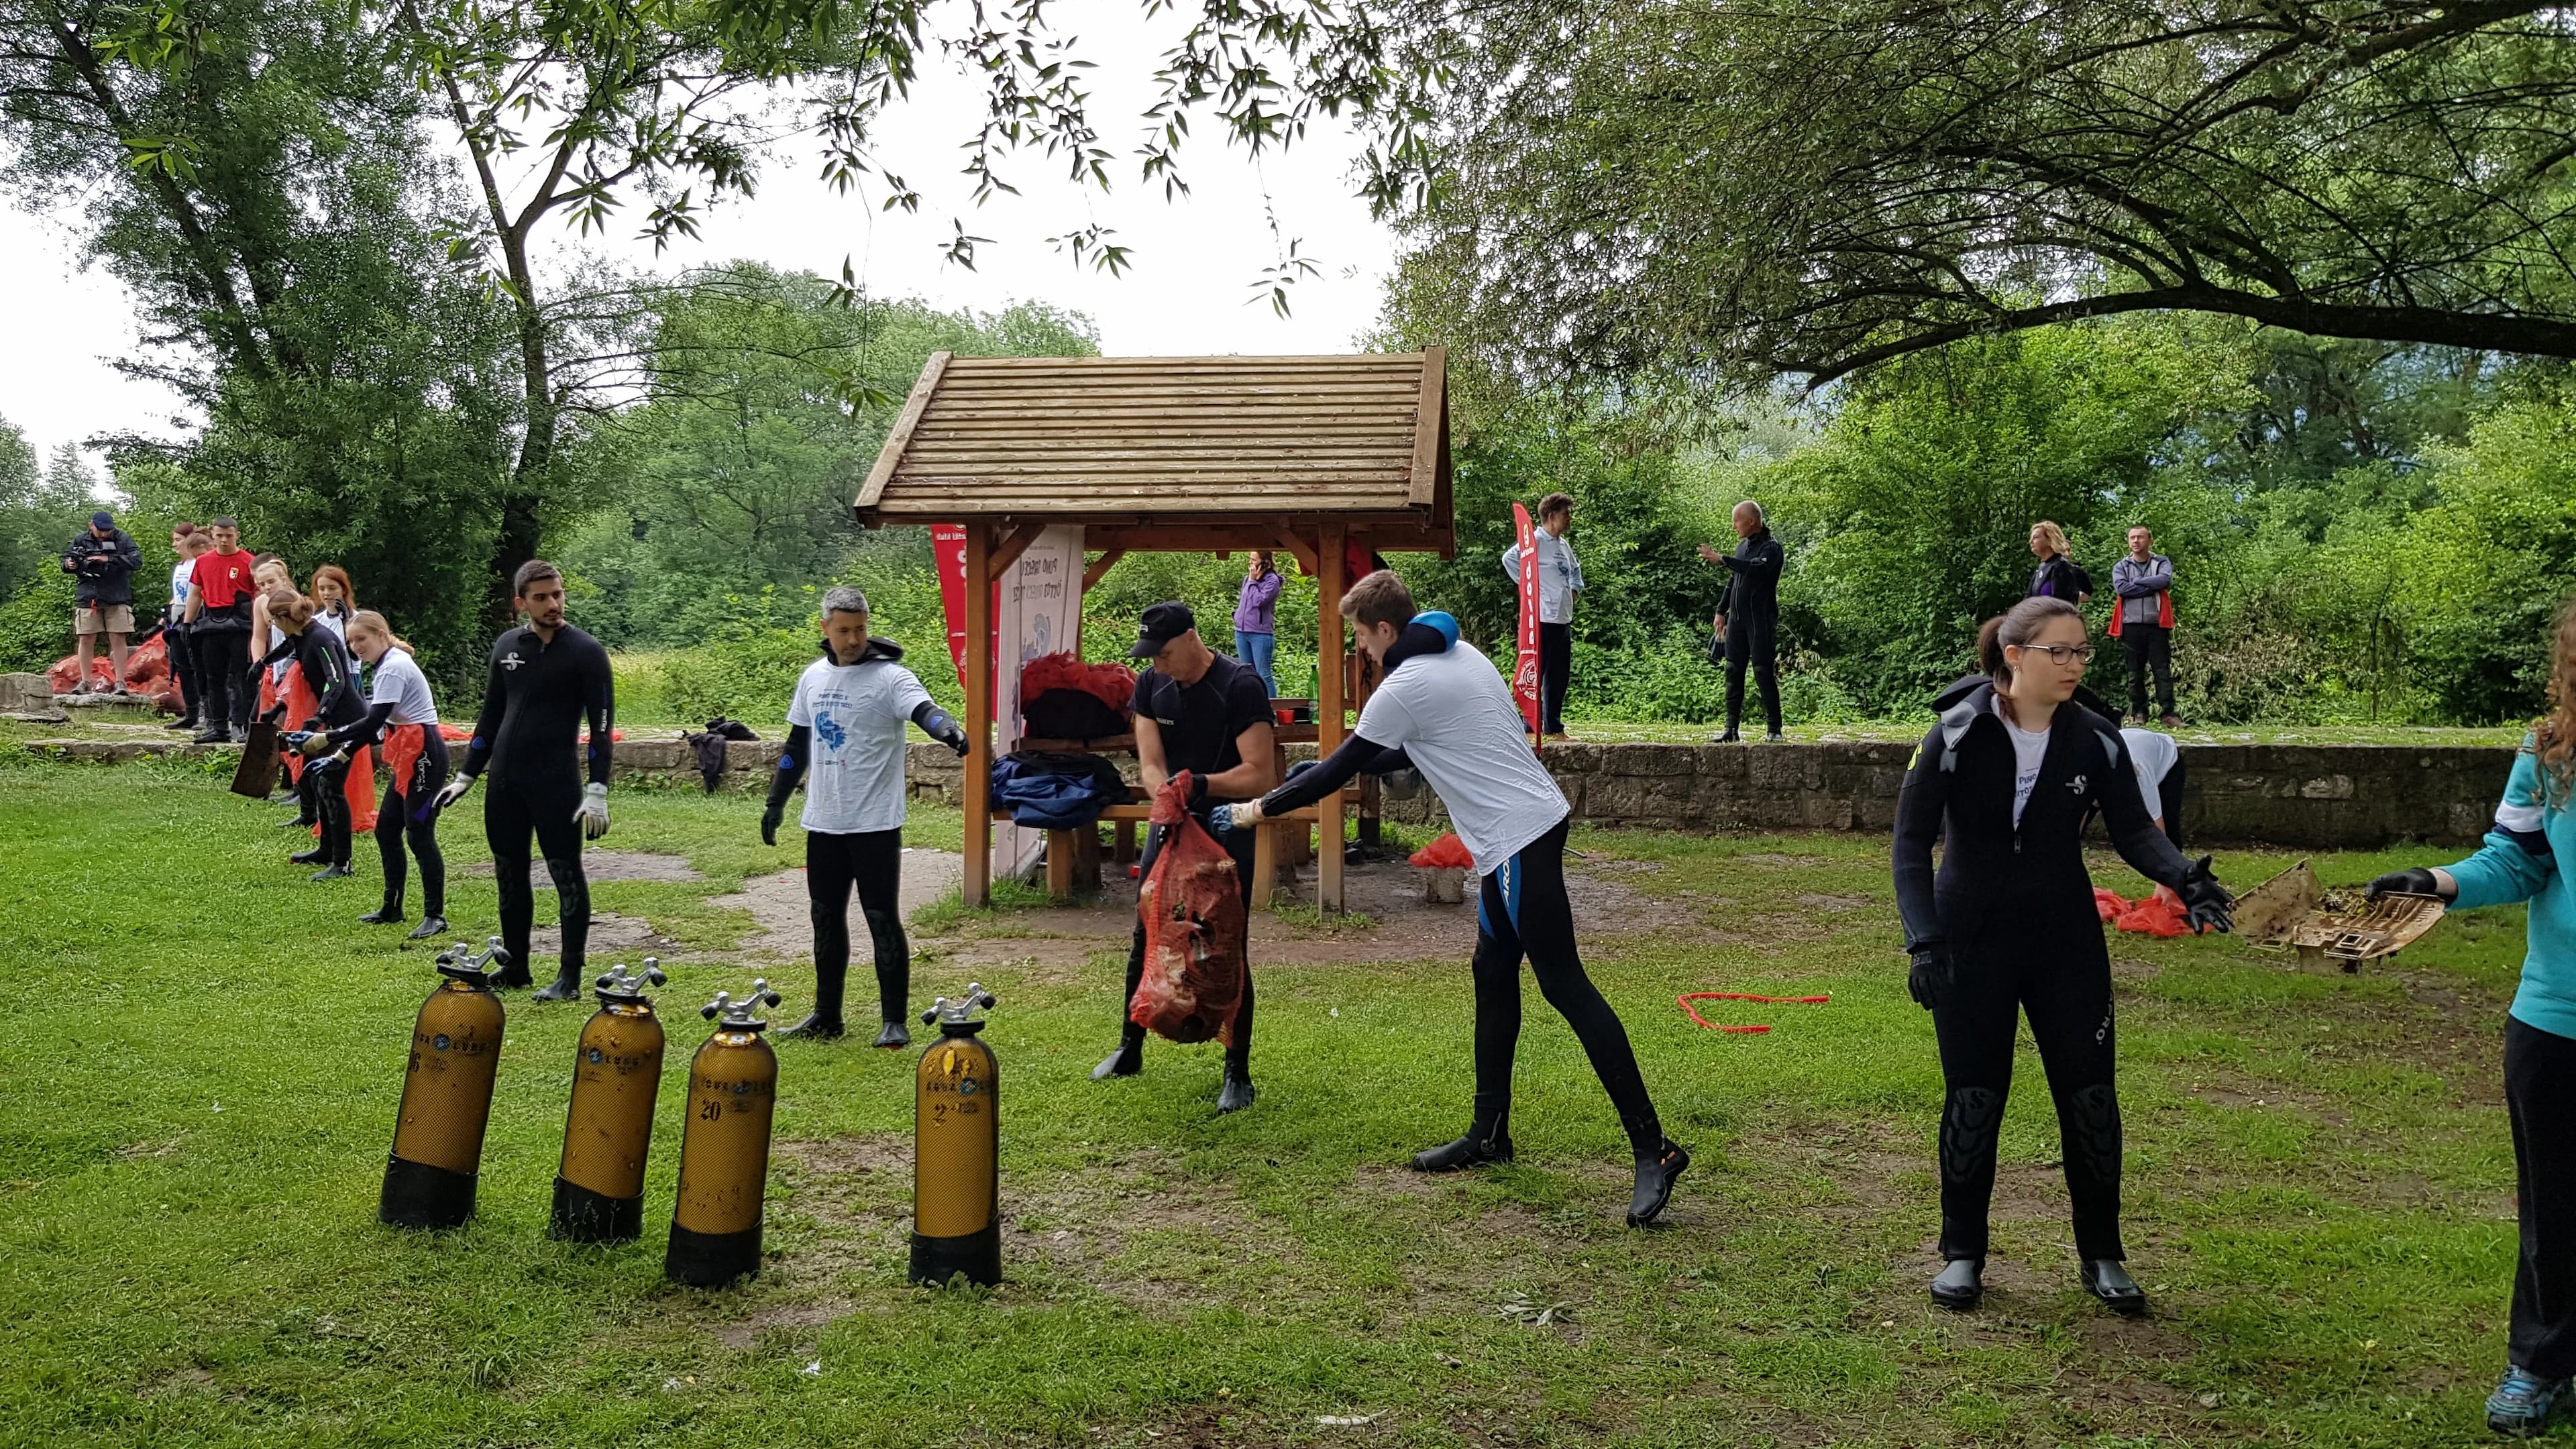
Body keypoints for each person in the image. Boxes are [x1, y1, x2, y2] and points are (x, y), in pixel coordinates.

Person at [1242, 570, 1689, 1223]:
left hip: (1518, 839)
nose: (1362, 652)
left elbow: (1344, 768)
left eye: (1363, 639)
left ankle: (1656, 1149)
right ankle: (1489, 1134)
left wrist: (1259, 808)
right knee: (1492, 972)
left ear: (1386, 631)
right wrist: (1322, 772)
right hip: (1522, 830)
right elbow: (1405, 754)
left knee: (1566, 987)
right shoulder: (1460, 653)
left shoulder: (1402, 685)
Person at [1892, 596, 2233, 1314]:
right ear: (2015, 656)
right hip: (1971, 938)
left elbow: (2137, 833)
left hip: (2065, 940)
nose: (2076, 663)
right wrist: (1923, 940)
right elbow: (1908, 846)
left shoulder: (2097, 739)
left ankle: (2102, 1253)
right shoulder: (1953, 734)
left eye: (2082, 651)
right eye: (2061, 651)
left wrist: (2186, 880)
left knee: (2091, 1098)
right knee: (1975, 1096)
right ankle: (1963, 1253)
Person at [2365, 600, 2576, 1438]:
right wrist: (2439, 882)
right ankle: (2541, 1363)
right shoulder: (2550, 751)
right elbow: (2517, 859)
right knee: (2555, 1205)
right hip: (2557, 1016)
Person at [759, 587, 972, 1045]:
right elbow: (797, 746)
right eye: (844, 630)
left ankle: (893, 1020)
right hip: (824, 820)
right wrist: (775, 802)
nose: (853, 639)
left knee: (880, 917)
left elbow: (924, 710)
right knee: (825, 916)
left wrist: (948, 730)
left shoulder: (890, 678)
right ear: (825, 629)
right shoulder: (813, 678)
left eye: (860, 629)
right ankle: (826, 1014)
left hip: (874, 821)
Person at [1090, 600, 1276, 1111]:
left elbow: (1260, 774)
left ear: (1192, 639)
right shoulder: (1151, 685)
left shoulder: (1241, 687)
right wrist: (1169, 796)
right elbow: (1151, 762)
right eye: (1152, 656)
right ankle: (1130, 1047)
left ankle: (1237, 1072)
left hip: (1223, 825)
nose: (1159, 665)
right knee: (1147, 930)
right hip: (1172, 821)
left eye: (1167, 654)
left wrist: (1201, 787)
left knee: (1222, 943)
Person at [431, 561, 614, 999]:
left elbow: (602, 729)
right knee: (509, 873)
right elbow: (491, 717)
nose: (553, 604)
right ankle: (516, 967)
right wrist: (467, 775)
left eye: (558, 594)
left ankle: (569, 977)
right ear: (521, 603)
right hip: (506, 782)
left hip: (557, 785)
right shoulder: (508, 646)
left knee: (565, 874)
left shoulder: (585, 651)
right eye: (542, 597)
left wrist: (597, 791)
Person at [315, 610, 451, 939]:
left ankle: (436, 915)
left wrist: (326, 738)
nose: (355, 646)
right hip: (410, 754)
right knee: (387, 830)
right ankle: (392, 907)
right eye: (350, 641)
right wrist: (341, 754)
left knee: (419, 833)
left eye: (361, 639)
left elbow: (371, 722)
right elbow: (378, 726)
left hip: (425, 759)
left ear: (381, 634)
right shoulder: (388, 664)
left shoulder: (393, 667)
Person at [260, 595, 366, 881]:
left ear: (283, 619)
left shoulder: (320, 638)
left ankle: (342, 863)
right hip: (331, 720)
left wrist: (320, 716)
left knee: (331, 786)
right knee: (319, 783)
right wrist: (263, 664)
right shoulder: (303, 635)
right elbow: (287, 648)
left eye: (274, 619)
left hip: (347, 720)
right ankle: (326, 850)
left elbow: (338, 680)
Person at [1699, 500, 1784, 743]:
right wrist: (1720, 611)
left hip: (1760, 619)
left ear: (1751, 521)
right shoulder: (1742, 546)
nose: (1734, 525)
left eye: (1736, 520)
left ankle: (1774, 728)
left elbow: (1755, 570)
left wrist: (1722, 559)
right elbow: (1733, 581)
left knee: (1762, 670)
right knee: (1733, 670)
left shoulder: (1771, 548)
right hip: (1736, 619)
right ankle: (1731, 729)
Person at [1501, 492, 1582, 738]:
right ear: (1551, 516)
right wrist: (1529, 590)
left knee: (1559, 676)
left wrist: (1574, 590)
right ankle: (1530, 724)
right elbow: (1509, 559)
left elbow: (1575, 571)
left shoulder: (1563, 545)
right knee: (1536, 671)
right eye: (1565, 514)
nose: (1569, 518)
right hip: (1541, 618)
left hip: (1562, 618)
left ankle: (1553, 726)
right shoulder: (1533, 541)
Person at [182, 519, 258, 743]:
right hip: (212, 623)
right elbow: (196, 593)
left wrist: (259, 626)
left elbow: (257, 596)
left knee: (242, 678)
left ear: (237, 535)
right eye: (219, 536)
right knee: (213, 678)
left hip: (240, 624)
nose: (224, 540)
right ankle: (219, 727)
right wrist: (187, 623)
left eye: (229, 536)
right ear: (213, 536)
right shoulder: (204, 562)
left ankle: (243, 725)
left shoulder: (248, 561)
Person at [61, 510, 142, 695]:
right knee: (85, 638)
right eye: (101, 530)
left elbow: (136, 561)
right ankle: (85, 682)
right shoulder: (81, 540)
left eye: (108, 530)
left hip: (118, 596)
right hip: (89, 596)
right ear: (91, 525)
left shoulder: (123, 539)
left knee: (118, 638)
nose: (105, 534)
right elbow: (66, 560)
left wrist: (109, 559)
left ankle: (121, 682)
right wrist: (69, 564)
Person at [2109, 525, 2180, 727]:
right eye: (2132, 537)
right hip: (2130, 625)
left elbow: (2164, 580)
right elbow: (2122, 588)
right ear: (2128, 542)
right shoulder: (2121, 566)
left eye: (2140, 537)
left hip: (2157, 625)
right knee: (2135, 673)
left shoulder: (2161, 561)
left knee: (2162, 671)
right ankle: (2140, 712)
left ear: (2150, 540)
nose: (2136, 541)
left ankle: (2168, 713)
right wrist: (2150, 586)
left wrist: (2138, 584)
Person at [162, 523, 207, 731]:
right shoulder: (179, 567)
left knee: (201, 666)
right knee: (183, 666)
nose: (175, 545)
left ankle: (206, 712)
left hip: (197, 616)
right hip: (177, 617)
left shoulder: (200, 563)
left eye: (178, 540)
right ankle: (190, 712)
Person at [2118, 726, 2186, 846]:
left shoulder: (2142, 781)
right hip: (2131, 745)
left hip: (2167, 759)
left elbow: (2157, 827)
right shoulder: (2089, 775)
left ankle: (2178, 864)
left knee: (2170, 829)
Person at [1233, 550, 1283, 699]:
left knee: (1263, 674)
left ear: (1265, 563)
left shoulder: (1272, 581)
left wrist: (1253, 582)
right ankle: (1251, 707)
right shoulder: (1248, 579)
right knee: (1246, 674)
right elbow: (1244, 601)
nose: (1251, 564)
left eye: (1254, 560)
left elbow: (1258, 601)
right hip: (1242, 631)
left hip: (1260, 633)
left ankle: (1272, 708)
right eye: (1250, 560)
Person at [2026, 521, 2092, 604]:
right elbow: (2027, 600)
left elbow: (2061, 604)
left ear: (2050, 540)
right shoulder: (2042, 567)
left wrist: (2074, 599)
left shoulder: (2062, 566)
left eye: (2036, 537)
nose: (2031, 542)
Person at [310, 565, 356, 639]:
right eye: (322, 589)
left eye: (332, 588)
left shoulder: (357, 619)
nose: (326, 593)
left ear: (344, 590)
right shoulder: (315, 622)